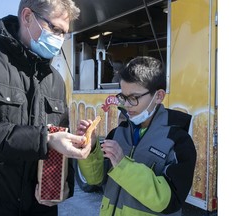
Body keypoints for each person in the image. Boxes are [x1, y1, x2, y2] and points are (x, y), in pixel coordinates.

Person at [0, 0, 89, 215]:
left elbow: (58, 139)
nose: (59, 39)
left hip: (39, 209)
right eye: (55, 29)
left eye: (64, 34)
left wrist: (64, 183)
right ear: (27, 17)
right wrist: (44, 139)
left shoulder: (55, 79)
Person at [76, 56, 197, 216]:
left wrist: (123, 164)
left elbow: (169, 201)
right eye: (124, 97)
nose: (126, 105)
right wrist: (90, 149)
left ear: (159, 96)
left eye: (133, 98)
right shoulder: (118, 133)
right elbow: (96, 180)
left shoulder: (178, 142)